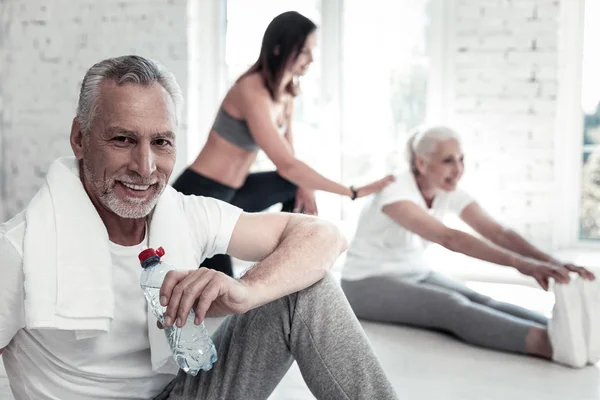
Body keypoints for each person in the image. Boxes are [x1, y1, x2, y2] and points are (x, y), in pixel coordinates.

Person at [0, 55, 399, 400]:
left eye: (161, 142)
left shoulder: (185, 215)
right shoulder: (19, 250)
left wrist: (246, 291)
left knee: (307, 288)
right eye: (123, 139)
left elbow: (325, 235)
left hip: (187, 392)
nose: (145, 167)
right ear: (79, 139)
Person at [341, 125, 599, 368]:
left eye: (461, 159)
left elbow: (498, 232)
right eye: (448, 160)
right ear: (421, 163)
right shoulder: (395, 191)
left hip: (415, 272)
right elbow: (449, 238)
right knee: (451, 305)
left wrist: (552, 263)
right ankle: (548, 345)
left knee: (478, 299)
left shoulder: (445, 188)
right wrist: (523, 265)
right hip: (365, 283)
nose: (458, 169)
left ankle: (567, 334)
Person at [172, 11, 394, 277]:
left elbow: (290, 157)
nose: (311, 58)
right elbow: (287, 164)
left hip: (236, 194)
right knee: (220, 290)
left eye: (312, 50)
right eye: (303, 51)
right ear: (279, 48)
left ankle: (287, 270)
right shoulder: (250, 90)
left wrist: (303, 184)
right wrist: (352, 191)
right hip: (201, 194)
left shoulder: (285, 95)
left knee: (292, 185)